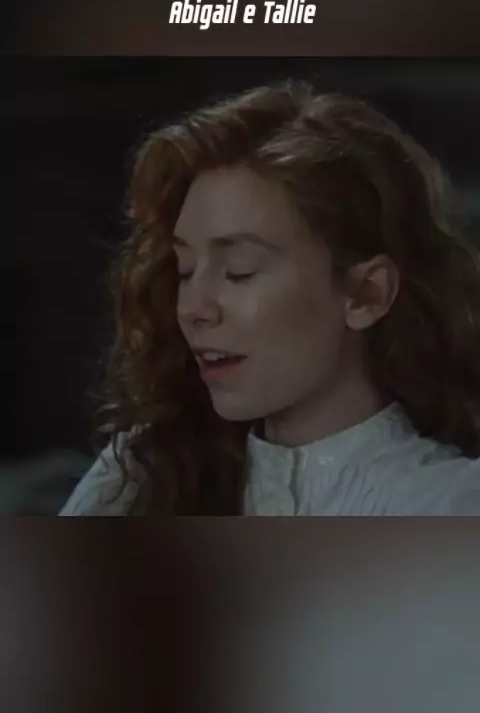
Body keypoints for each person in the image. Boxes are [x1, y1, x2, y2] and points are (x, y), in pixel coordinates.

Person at [59, 80, 480, 516]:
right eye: (185, 270)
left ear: (365, 293)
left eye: (239, 271)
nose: (192, 309)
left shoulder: (451, 502)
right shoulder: (139, 475)